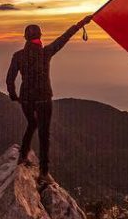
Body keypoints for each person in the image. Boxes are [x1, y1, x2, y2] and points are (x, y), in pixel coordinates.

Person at [6, 14, 94, 180]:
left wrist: (13, 95)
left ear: (25, 37)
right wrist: (81, 23)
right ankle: (44, 172)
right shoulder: (46, 52)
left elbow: (10, 78)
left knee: (32, 124)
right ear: (39, 37)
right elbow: (64, 37)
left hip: (26, 99)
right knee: (44, 133)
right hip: (44, 98)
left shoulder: (18, 56)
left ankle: (23, 154)